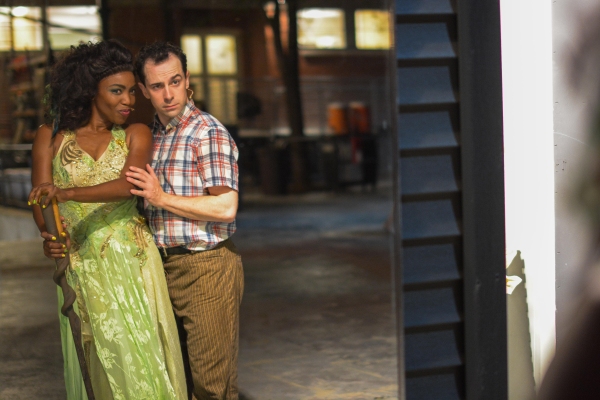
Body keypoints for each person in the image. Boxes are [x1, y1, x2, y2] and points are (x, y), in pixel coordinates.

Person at [29, 40, 187, 399]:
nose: (129, 100)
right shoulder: (50, 137)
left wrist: (66, 193)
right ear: (90, 91)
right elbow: (40, 200)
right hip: (81, 264)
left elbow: (129, 185)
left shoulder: (136, 133)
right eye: (117, 91)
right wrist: (50, 236)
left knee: (142, 356)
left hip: (132, 260)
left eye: (132, 91)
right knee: (99, 361)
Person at [124, 41, 244, 400]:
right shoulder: (150, 135)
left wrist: (160, 198)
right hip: (161, 267)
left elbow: (226, 207)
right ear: (144, 90)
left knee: (212, 385)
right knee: (176, 381)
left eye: (175, 81)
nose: (168, 94)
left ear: (187, 79)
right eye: (158, 86)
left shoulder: (207, 132)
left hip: (205, 267)